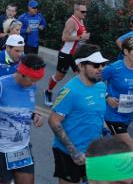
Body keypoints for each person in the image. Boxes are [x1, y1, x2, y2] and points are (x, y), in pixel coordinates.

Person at [0, 54, 47, 184]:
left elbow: (21, 107)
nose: (34, 84)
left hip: (22, 148)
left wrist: (34, 115)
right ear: (22, 73)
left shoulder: (31, 86)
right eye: (32, 80)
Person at [48, 44, 108, 184]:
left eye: (103, 64)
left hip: (93, 151)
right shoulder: (70, 91)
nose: (101, 69)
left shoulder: (101, 86)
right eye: (96, 65)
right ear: (81, 66)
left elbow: (97, 115)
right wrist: (74, 152)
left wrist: (108, 136)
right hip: (68, 153)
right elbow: (54, 121)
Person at [44, 3, 90, 107]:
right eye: (83, 11)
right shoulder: (71, 21)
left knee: (80, 76)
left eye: (86, 11)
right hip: (66, 54)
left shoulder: (81, 20)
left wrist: (84, 39)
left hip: (76, 55)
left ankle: (78, 99)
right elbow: (64, 38)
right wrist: (81, 38)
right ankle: (48, 91)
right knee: (59, 77)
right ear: (76, 11)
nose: (85, 13)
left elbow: (79, 37)